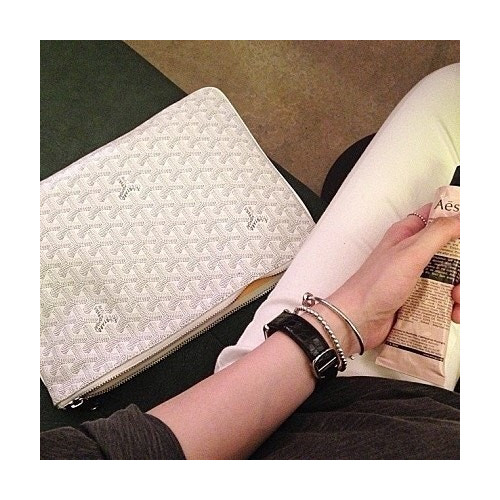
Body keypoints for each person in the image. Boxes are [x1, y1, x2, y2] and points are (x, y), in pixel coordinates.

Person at [40, 63, 460, 460]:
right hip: (389, 401)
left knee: (452, 91)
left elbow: (132, 456)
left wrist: (351, 318)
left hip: (300, 377)